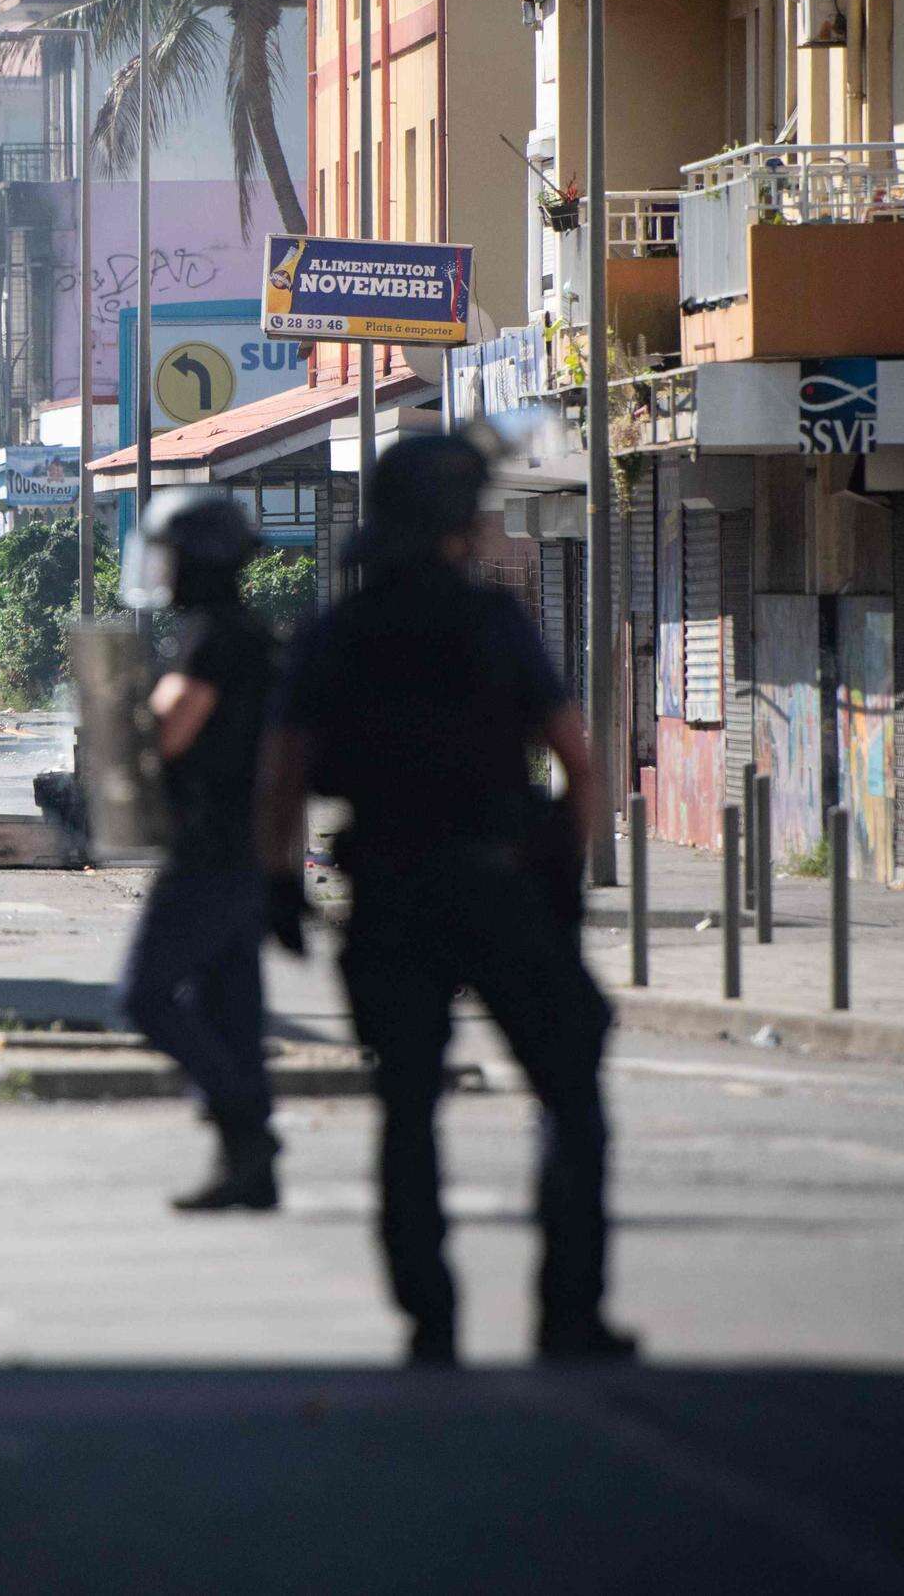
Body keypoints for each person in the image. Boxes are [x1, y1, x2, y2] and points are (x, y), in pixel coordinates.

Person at [259, 435, 636, 1370]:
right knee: (571, 1095)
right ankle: (570, 1315)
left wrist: (278, 886)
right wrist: (564, 880)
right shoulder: (494, 620)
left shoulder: (334, 634)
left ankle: (430, 1319)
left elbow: (283, 777)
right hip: (501, 884)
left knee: (408, 1108)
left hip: (387, 894)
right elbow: (579, 760)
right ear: (462, 524)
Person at [114, 490, 278, 1212]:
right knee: (229, 1008)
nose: (166, 572)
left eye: (176, 559)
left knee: (146, 996)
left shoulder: (215, 639)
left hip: (210, 849)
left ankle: (244, 1117)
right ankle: (248, 1167)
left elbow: (170, 732)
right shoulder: (247, 633)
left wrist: (124, 709)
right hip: (246, 847)